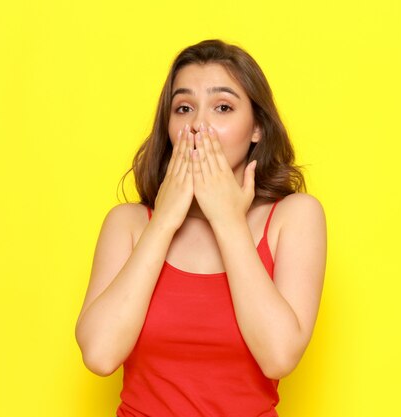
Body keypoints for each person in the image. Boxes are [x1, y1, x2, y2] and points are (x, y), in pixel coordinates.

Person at [75, 39, 327, 417]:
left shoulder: (294, 217)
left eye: (222, 107)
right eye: (184, 108)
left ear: (257, 127)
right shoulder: (127, 224)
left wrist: (227, 219)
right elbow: (99, 354)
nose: (198, 125)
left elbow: (278, 357)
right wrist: (163, 222)